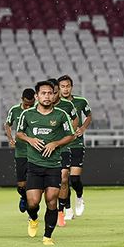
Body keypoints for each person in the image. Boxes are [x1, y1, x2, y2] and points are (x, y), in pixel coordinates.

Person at [16, 79, 75, 245]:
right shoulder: (27, 115)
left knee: (51, 199)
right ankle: (33, 218)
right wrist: (30, 140)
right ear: (36, 96)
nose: (47, 96)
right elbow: (19, 133)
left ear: (54, 95)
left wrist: (55, 143)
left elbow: (70, 135)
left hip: (53, 165)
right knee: (33, 202)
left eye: (50, 93)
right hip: (34, 165)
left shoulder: (61, 115)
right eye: (43, 93)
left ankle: (48, 236)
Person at [58, 75, 92, 217]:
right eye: (62, 86)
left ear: (71, 87)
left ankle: (79, 196)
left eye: (68, 86)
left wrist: (83, 128)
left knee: (75, 178)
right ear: (58, 88)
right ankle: (68, 208)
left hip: (76, 143)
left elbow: (88, 115)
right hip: (62, 146)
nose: (65, 89)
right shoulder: (55, 104)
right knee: (63, 178)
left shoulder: (81, 101)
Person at [48, 78, 79, 225]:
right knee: (47, 184)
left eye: (55, 92)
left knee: (64, 177)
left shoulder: (67, 105)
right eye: (50, 93)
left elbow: (75, 119)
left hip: (63, 147)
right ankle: (39, 210)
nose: (52, 96)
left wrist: (69, 134)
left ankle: (62, 210)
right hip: (45, 149)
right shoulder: (39, 107)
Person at [4, 88, 36, 215]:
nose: (28, 107)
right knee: (21, 185)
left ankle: (32, 208)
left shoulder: (38, 110)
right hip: (21, 151)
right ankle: (23, 196)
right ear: (22, 100)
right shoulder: (15, 110)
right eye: (26, 104)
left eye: (31, 104)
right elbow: (7, 124)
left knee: (33, 182)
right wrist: (10, 139)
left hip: (35, 152)